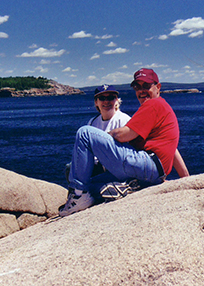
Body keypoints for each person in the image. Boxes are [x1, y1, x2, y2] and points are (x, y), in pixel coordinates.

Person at [59, 68, 189, 216]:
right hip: (153, 172)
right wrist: (185, 179)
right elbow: (173, 148)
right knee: (91, 185)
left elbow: (123, 135)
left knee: (84, 133)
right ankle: (128, 187)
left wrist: (103, 137)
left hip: (148, 163)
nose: (141, 91)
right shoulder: (161, 107)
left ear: (158, 87)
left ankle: (78, 196)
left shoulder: (153, 105)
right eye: (137, 87)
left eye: (146, 86)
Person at [64, 85, 131, 180]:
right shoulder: (92, 122)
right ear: (96, 102)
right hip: (97, 164)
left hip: (116, 166)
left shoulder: (124, 120)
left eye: (110, 98)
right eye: (102, 98)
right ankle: (81, 193)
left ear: (116, 100)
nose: (106, 101)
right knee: (70, 168)